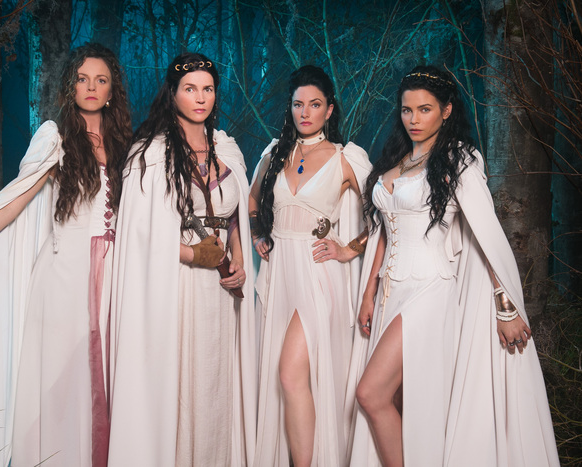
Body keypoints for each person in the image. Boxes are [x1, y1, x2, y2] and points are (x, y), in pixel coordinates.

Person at [0, 43, 132, 466]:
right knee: (66, 385)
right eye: (82, 79)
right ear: (70, 86)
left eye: (101, 80)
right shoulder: (55, 137)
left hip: (116, 277)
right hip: (66, 278)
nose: (91, 87)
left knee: (111, 382)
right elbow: (12, 202)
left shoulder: (127, 145)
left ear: (112, 91)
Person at [348, 65, 559, 466]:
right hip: (391, 293)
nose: (413, 119)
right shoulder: (397, 159)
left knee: (370, 394)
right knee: (403, 401)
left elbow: (486, 234)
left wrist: (505, 305)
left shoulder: (457, 160)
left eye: (424, 109)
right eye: (407, 110)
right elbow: (383, 232)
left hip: (430, 291)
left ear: (446, 111)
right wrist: (369, 293)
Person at [109, 52, 256, 466]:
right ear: (172, 93)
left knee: (215, 386)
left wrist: (238, 261)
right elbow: (138, 231)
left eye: (207, 89)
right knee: (181, 385)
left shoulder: (226, 149)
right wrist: (194, 254)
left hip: (222, 292)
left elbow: (233, 218)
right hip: (177, 285)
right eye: (190, 89)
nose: (200, 98)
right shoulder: (150, 154)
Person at [250, 65, 372, 467]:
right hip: (280, 273)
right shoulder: (275, 153)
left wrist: (349, 249)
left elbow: (383, 214)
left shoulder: (345, 158)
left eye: (315, 104)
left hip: (318, 274)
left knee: (290, 373)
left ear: (329, 109)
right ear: (290, 108)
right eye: (298, 104)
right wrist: (258, 234)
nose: (305, 112)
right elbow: (252, 201)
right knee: (289, 377)